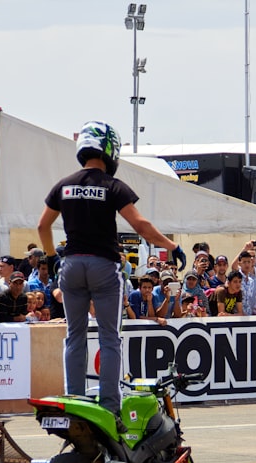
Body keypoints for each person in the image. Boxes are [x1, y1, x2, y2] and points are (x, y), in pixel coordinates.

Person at [37, 121, 185, 425]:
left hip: (72, 264)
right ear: (110, 152)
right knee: (109, 337)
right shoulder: (113, 186)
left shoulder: (63, 184)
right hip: (104, 266)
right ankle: (109, 404)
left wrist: (52, 257)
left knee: (74, 335)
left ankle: (74, 398)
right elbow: (140, 225)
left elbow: (42, 226)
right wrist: (171, 246)